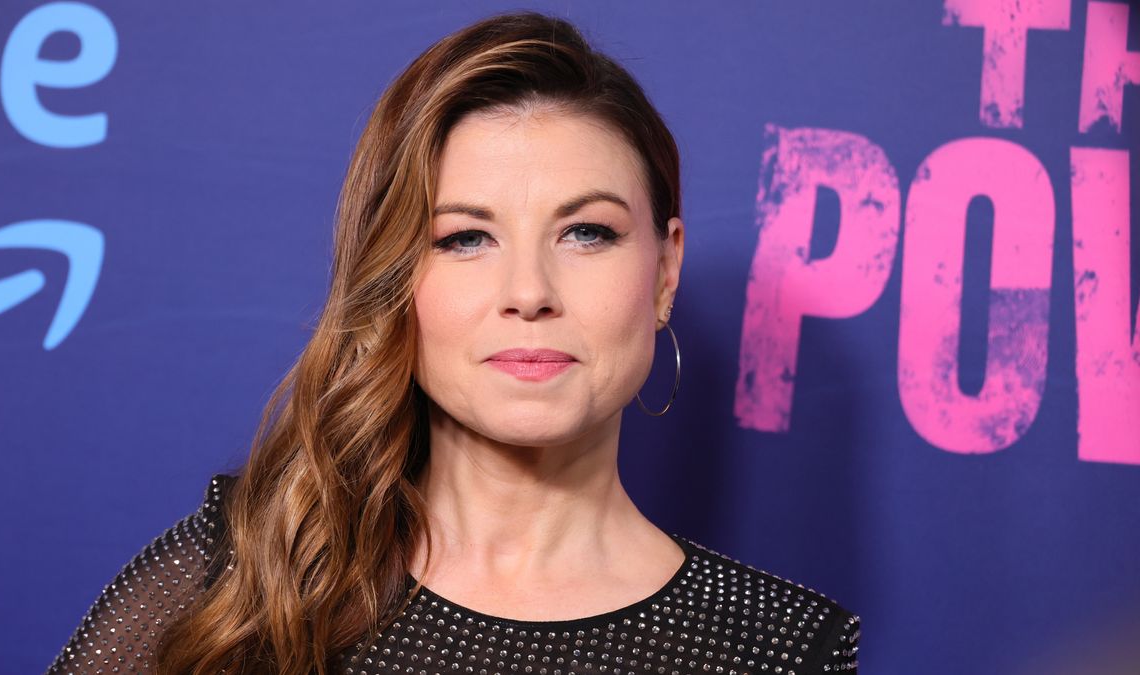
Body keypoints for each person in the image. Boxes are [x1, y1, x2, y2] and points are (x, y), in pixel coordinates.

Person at [47, 10, 860, 674]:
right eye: (465, 239)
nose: (529, 293)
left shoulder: (782, 646)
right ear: (396, 275)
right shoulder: (242, 570)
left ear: (666, 270)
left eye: (587, 232)